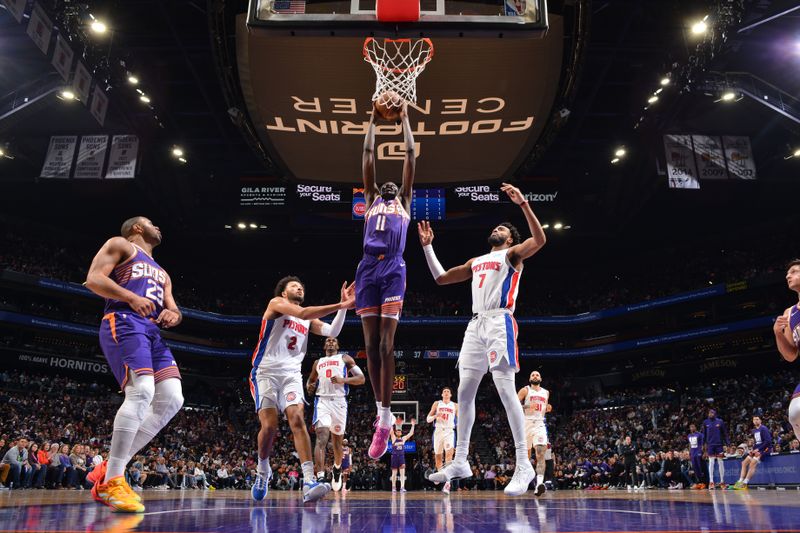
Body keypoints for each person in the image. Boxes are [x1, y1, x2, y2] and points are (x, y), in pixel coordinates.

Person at [420, 183, 547, 496]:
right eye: (496, 226)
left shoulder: (512, 254)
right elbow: (440, 277)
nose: (497, 228)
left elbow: (540, 240)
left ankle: (523, 464)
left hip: (499, 321)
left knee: (505, 389)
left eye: (502, 228)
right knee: (464, 391)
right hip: (475, 325)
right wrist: (427, 247)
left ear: (510, 239)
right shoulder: (476, 260)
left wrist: (524, 204)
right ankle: (461, 460)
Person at [84, 216, 184, 512]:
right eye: (153, 223)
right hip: (125, 321)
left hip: (152, 331)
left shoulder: (163, 273)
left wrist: (173, 316)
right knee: (141, 392)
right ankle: (113, 480)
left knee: (172, 398)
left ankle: (110, 468)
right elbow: (94, 279)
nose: (159, 227)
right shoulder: (120, 245)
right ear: (137, 228)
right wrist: (129, 297)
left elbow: (174, 307)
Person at [249, 276, 354, 503]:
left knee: (297, 419)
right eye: (294, 286)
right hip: (265, 373)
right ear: (284, 292)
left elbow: (332, 330)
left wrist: (343, 307)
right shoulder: (276, 304)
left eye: (302, 287)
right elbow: (305, 313)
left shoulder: (307, 319)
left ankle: (309, 480)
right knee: (269, 426)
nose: (300, 288)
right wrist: (340, 305)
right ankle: (262, 471)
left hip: (292, 375)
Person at [358, 104, 416, 459]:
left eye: (396, 182)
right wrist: (372, 120)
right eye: (385, 182)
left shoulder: (405, 201)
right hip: (366, 269)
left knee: (385, 346)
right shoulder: (370, 198)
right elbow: (367, 154)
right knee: (369, 344)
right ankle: (382, 417)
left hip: (393, 268)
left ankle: (383, 418)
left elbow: (410, 153)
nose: (391, 182)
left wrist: (405, 119)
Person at [306, 336, 365, 491]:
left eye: (333, 340)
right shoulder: (317, 363)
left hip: (339, 402)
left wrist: (343, 380)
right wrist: (309, 387)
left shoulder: (345, 359)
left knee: (337, 444)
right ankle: (319, 477)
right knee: (321, 438)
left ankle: (337, 468)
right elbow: (310, 381)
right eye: (327, 340)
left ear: (337, 345)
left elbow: (361, 379)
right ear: (324, 345)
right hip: (322, 401)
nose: (330, 342)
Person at [774, 259, 800, 441]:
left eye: (793, 271)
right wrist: (778, 333)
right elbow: (790, 355)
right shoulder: (789, 313)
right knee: (795, 411)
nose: (787, 275)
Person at [518, 370, 551, 496]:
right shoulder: (525, 390)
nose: (535, 376)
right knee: (525, 457)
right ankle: (523, 481)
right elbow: (513, 405)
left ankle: (539, 484)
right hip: (526, 424)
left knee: (540, 454)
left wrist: (548, 408)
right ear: (529, 378)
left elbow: (544, 407)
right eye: (532, 375)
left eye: (537, 375)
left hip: (539, 424)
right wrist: (526, 407)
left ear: (540, 378)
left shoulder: (546, 392)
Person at [425, 387, 458, 494]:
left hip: (449, 432)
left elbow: (461, 420)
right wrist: (435, 416)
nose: (446, 393)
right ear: (442, 394)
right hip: (438, 431)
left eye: (448, 391)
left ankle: (447, 484)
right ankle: (440, 475)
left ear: (451, 395)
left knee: (449, 456)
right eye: (444, 391)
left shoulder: (455, 405)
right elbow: (428, 419)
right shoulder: (437, 403)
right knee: (438, 459)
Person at [733, 413, 773, 490]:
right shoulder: (754, 430)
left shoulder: (764, 428)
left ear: (760, 420)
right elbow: (757, 442)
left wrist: (759, 450)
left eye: (757, 419)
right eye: (754, 419)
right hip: (758, 448)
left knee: (752, 464)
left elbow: (768, 441)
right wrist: (753, 450)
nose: (755, 421)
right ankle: (740, 481)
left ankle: (745, 483)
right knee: (744, 463)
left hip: (765, 449)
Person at [702, 408, 729, 489]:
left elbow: (725, 433)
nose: (711, 414)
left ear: (715, 414)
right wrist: (703, 444)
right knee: (711, 462)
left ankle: (722, 482)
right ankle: (711, 482)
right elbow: (704, 434)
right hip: (710, 445)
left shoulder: (720, 421)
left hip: (719, 445)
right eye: (709, 413)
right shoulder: (705, 422)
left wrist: (728, 443)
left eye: (712, 413)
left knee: (721, 462)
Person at [390, 421, 415, 492]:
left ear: (401, 433)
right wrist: (391, 422)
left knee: (402, 473)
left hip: (401, 457)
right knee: (394, 474)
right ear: (395, 432)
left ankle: (402, 487)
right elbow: (391, 430)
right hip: (394, 457)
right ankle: (393, 487)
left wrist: (413, 425)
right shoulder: (393, 438)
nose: (398, 432)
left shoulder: (403, 438)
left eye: (399, 431)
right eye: (397, 431)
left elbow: (411, 433)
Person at [687, 423, 705, 488]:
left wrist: (703, 452)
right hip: (692, 453)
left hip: (698, 452)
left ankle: (703, 482)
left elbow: (703, 444)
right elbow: (689, 444)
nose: (692, 428)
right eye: (691, 427)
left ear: (695, 427)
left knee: (700, 467)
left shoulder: (699, 434)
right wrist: (689, 453)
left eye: (693, 427)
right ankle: (699, 482)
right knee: (695, 468)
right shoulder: (689, 435)